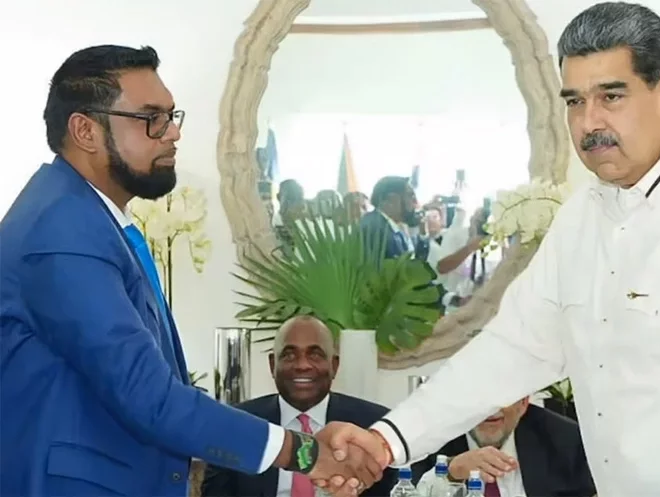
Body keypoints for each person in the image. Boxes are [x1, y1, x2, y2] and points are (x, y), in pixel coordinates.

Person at [322, 3, 660, 496]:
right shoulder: (579, 222)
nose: (589, 122)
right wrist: (388, 440)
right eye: (574, 101)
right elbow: (509, 350)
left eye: (611, 96)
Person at [0, 45, 382, 497]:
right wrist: (303, 452)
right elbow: (148, 395)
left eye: (171, 116)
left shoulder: (91, 219)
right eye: (151, 118)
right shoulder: (62, 231)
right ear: (85, 130)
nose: (173, 132)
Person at [203, 316, 398, 497]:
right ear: (272, 365)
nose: (302, 365)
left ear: (334, 366)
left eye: (315, 355)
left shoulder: (375, 425)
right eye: (289, 355)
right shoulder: (237, 425)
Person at [413, 398, 595, 497]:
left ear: (523, 404)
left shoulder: (563, 439)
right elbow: (407, 489)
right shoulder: (428, 438)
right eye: (480, 398)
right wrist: (450, 472)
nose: (491, 411)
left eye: (502, 397)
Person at [359, 176, 419, 259]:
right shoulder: (374, 230)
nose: (416, 202)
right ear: (392, 199)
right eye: (410, 196)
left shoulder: (387, 227)